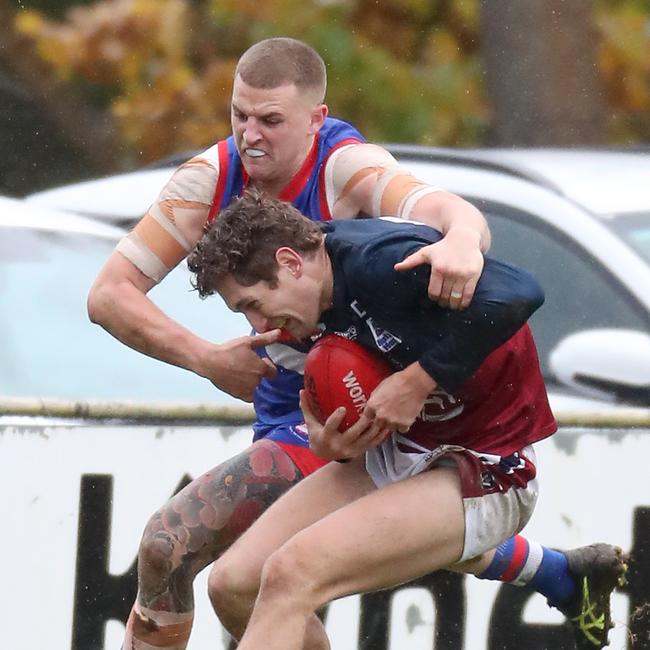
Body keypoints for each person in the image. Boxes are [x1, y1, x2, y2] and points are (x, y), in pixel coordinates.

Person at [87, 37, 494, 649]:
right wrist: (206, 359)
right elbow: (108, 294)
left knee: (169, 546)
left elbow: (446, 211)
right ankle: (554, 570)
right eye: (239, 115)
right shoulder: (209, 178)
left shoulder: (345, 168)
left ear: (315, 119)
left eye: (271, 121)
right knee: (244, 600)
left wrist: (463, 238)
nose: (251, 135)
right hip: (294, 417)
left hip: (350, 412)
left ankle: (542, 563)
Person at [188, 190, 627, 650]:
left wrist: (419, 380)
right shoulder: (295, 322)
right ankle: (560, 576)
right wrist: (329, 444)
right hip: (407, 451)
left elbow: (520, 291)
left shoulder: (382, 264)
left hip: (488, 466)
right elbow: (344, 399)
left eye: (252, 304)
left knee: (292, 571)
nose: (257, 324)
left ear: (291, 262)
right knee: (234, 584)